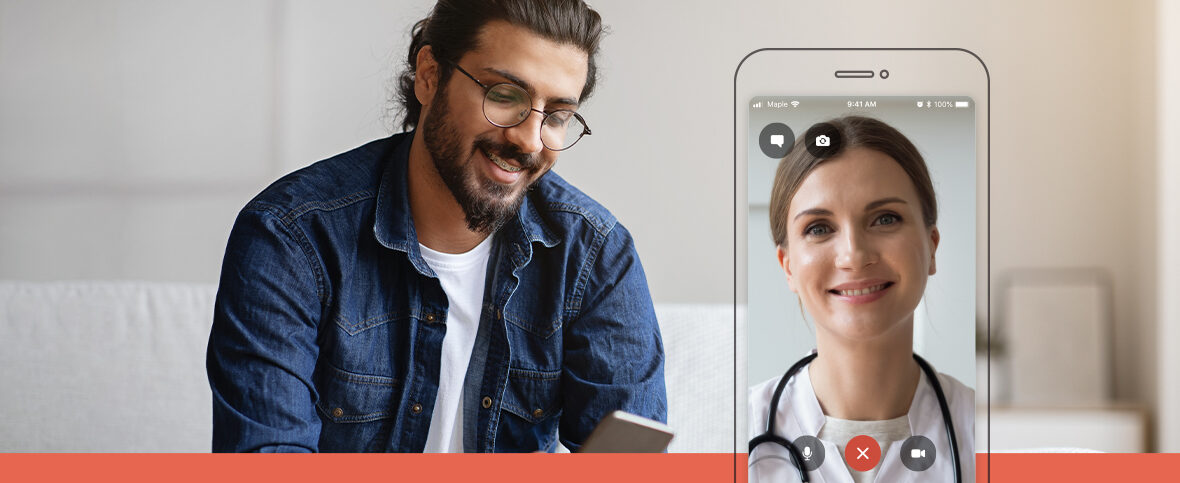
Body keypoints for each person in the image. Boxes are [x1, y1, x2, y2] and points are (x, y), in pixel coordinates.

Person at [206, 0, 666, 453]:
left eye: (559, 116)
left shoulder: (595, 254)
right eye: (504, 96)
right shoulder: (290, 237)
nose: (529, 139)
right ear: (430, 75)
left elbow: (632, 463)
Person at [747, 116, 974, 481]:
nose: (853, 255)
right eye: (819, 228)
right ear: (787, 265)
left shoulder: (990, 436)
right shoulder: (731, 434)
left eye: (885, 219)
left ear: (931, 248)